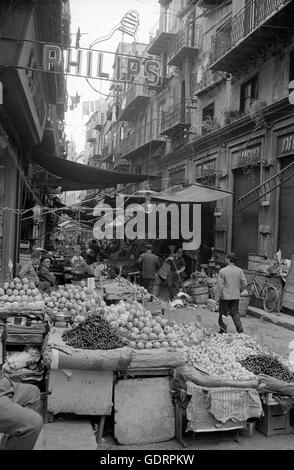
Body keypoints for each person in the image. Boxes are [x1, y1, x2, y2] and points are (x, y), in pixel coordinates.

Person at [0, 371, 43, 450]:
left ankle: (10, 434)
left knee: (32, 391)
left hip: (4, 383)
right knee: (33, 423)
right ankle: (17, 427)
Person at [217, 252, 247, 334]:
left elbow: (220, 286)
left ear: (228, 259)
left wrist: (218, 297)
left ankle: (223, 330)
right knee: (235, 313)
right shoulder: (239, 271)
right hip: (235, 296)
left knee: (223, 313)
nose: (225, 259)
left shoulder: (222, 271)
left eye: (226, 258)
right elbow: (244, 283)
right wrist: (239, 290)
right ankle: (240, 330)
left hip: (225, 296)